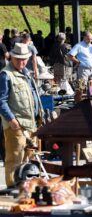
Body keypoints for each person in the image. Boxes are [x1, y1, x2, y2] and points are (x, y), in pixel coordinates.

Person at [0, 43, 44, 187]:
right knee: (14, 160)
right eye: (18, 59)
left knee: (27, 162)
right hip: (16, 126)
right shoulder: (6, 75)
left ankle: (25, 191)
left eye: (24, 59)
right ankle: (12, 192)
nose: (22, 62)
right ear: (12, 57)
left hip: (31, 125)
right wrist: (11, 119)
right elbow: (1, 101)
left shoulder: (26, 73)